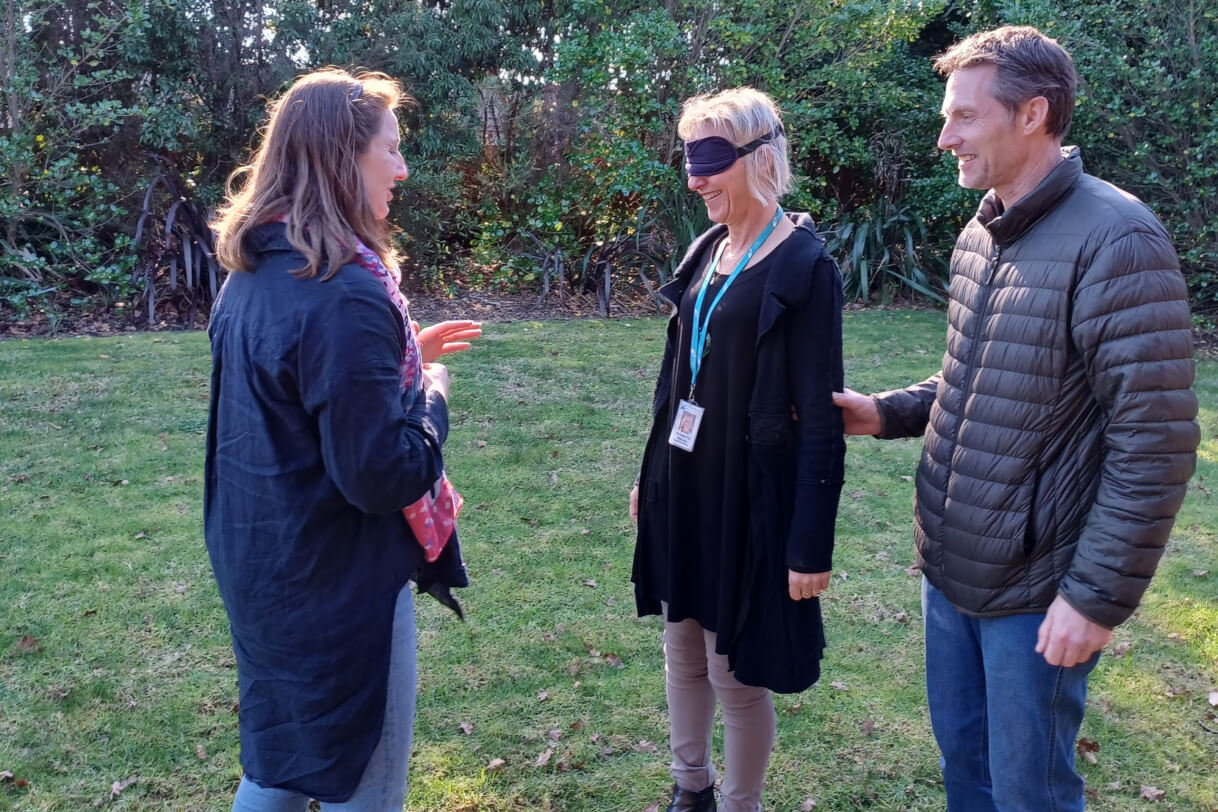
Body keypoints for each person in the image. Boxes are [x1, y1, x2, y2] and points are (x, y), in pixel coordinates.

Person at [832, 26, 1199, 811]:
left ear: (1032, 114)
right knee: (967, 767)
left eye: (964, 117)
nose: (944, 138)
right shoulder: (982, 231)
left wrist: (1094, 598)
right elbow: (972, 378)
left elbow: (1155, 442)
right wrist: (883, 414)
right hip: (953, 568)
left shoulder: (1118, 239)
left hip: (1038, 592)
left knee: (1028, 792)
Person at [204, 68, 481, 810]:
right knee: (364, 781)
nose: (402, 166)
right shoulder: (345, 292)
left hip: (265, 569)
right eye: (389, 149)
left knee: (279, 763)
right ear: (340, 156)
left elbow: (295, 403)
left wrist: (395, 359)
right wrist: (430, 395)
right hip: (337, 585)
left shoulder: (256, 272)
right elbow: (381, 475)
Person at [629, 88, 845, 812]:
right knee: (681, 648)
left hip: (748, 493)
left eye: (711, 160)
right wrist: (648, 477)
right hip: (685, 481)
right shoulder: (706, 251)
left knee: (734, 668)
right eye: (690, 159)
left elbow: (820, 414)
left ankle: (737, 805)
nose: (695, 179)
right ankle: (690, 789)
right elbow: (674, 380)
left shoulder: (805, 267)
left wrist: (810, 542)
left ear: (761, 157)